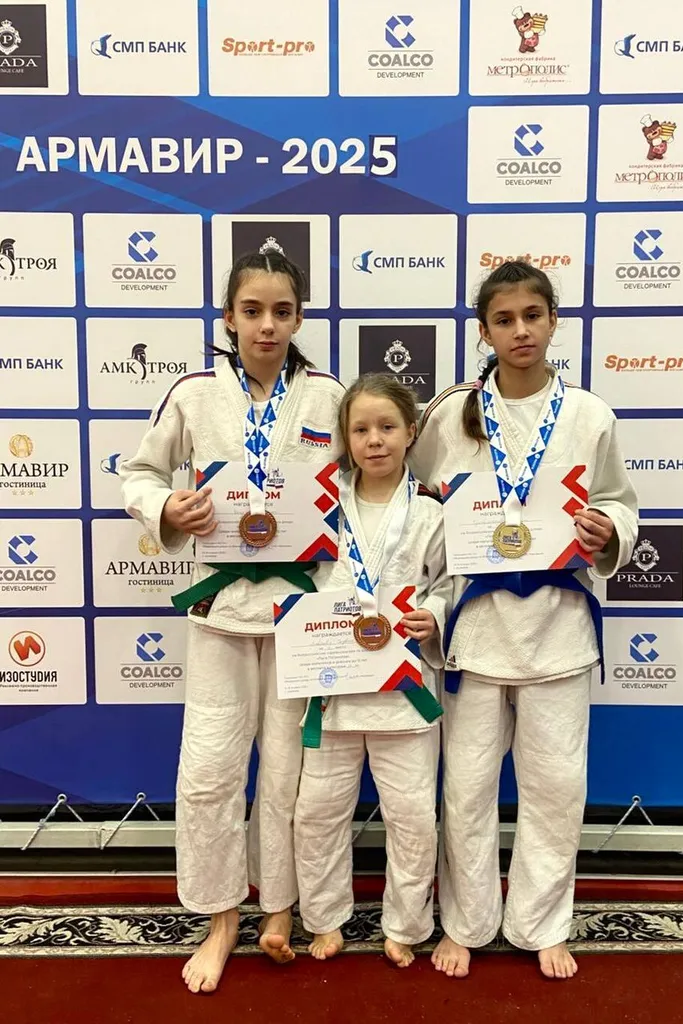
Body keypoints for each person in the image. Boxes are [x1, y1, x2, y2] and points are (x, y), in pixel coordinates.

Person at [120, 248, 345, 993]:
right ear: (228, 318)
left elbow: (359, 489)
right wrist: (167, 507)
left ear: (299, 318)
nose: (267, 325)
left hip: (300, 612)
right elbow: (141, 474)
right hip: (220, 609)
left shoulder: (327, 397)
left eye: (282, 311)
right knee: (212, 770)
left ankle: (276, 908)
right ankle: (221, 919)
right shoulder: (193, 395)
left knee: (285, 772)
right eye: (252, 311)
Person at [409, 260, 638, 981]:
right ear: (484, 331)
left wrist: (609, 530)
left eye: (532, 316)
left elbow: (619, 500)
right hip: (475, 628)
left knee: (555, 789)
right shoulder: (452, 413)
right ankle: (466, 922)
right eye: (504, 320)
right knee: (467, 788)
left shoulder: (588, 415)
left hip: (559, 625)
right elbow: (412, 496)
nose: (520, 331)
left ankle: (542, 922)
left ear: (553, 321)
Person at [293, 374, 451, 969]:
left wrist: (435, 615)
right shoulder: (318, 504)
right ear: (345, 437)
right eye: (360, 429)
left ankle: (405, 924)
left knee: (412, 817)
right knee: (318, 813)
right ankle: (325, 917)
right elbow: (298, 578)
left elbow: (448, 585)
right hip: (332, 686)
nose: (374, 440)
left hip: (403, 691)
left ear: (411, 432)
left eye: (387, 427)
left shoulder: (431, 512)